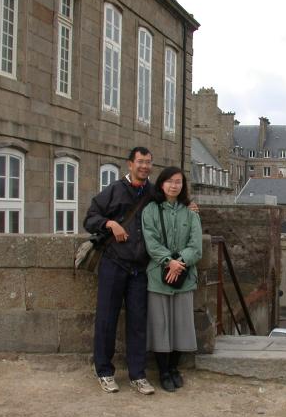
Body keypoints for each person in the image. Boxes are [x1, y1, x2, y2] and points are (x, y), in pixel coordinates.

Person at [83, 146, 156, 395]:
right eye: (140, 162)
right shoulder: (114, 190)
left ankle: (138, 374)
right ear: (130, 164)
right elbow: (90, 218)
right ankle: (104, 371)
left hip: (140, 267)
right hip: (114, 263)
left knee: (138, 322)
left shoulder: (152, 192)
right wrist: (110, 223)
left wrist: (190, 208)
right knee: (106, 319)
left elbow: (171, 207)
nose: (144, 166)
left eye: (148, 162)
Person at [141, 166, 202, 392]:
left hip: (184, 277)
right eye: (170, 181)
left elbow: (196, 246)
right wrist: (170, 262)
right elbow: (151, 242)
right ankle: (163, 371)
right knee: (160, 325)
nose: (174, 185)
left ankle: (174, 368)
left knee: (180, 325)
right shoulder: (151, 210)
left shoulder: (190, 212)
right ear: (161, 184)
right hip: (158, 276)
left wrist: (180, 263)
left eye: (178, 182)